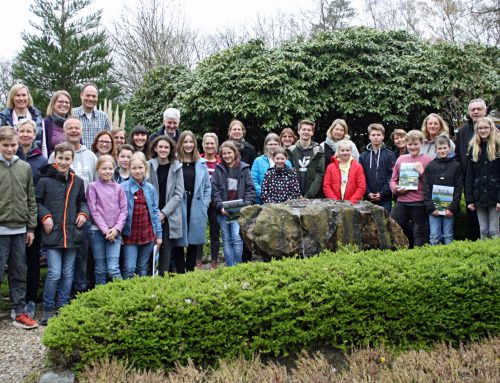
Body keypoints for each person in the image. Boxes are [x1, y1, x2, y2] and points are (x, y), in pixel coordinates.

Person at [37, 143, 88, 325]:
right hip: (54, 235)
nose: (64, 162)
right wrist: (45, 216)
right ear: (54, 158)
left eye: (67, 158)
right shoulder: (44, 180)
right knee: (54, 273)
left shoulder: (78, 181)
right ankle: (48, 309)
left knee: (68, 273)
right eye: (60, 158)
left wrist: (83, 213)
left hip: (72, 235)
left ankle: (63, 306)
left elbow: (83, 202)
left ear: (72, 159)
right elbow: (37, 202)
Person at [49, 117, 97, 294]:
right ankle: (62, 296)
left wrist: (87, 213)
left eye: (77, 128)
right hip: (60, 217)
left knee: (82, 257)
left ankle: (80, 293)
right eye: (70, 128)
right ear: (64, 131)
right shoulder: (56, 155)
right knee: (60, 262)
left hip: (82, 215)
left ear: (82, 131)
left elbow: (97, 185)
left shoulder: (91, 156)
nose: (74, 131)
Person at [0, 127, 38, 329]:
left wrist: (31, 227)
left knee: (18, 272)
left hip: (20, 230)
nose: (9, 148)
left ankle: (19, 312)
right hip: (1, 230)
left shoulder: (24, 167)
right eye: (5, 145)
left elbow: (31, 199)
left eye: (13, 145)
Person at [16, 119, 47, 319]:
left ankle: (30, 299)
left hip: (33, 218)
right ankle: (15, 300)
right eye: (22, 131)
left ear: (35, 134)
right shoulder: (9, 155)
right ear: (17, 133)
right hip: (13, 218)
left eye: (29, 131)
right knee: (16, 262)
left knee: (33, 260)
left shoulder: (41, 161)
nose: (26, 134)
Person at [211, 141, 256, 266]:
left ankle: (238, 266)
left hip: (239, 211)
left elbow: (250, 190)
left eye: (229, 152)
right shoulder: (218, 169)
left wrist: (245, 207)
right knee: (226, 239)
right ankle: (229, 267)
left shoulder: (244, 168)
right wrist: (220, 207)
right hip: (223, 211)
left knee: (237, 238)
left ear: (235, 153)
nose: (227, 155)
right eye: (224, 153)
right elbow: (214, 191)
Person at [172, 131, 211, 273]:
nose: (188, 145)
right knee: (178, 240)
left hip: (196, 204)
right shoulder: (174, 163)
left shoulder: (201, 164)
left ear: (194, 144)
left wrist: (205, 204)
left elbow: (207, 187)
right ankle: (181, 272)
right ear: (180, 144)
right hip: (179, 203)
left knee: (194, 240)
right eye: (185, 142)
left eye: (191, 142)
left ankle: (190, 270)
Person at [86, 155, 127, 284]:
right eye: (104, 168)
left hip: (115, 232)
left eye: (110, 168)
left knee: (113, 268)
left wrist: (116, 229)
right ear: (98, 169)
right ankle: (101, 298)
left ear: (114, 169)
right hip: (97, 232)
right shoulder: (93, 187)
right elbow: (94, 211)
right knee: (100, 269)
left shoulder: (119, 188)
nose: (107, 171)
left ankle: (122, 296)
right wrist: (105, 230)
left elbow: (124, 210)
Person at [121, 152, 162, 278]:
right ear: (129, 169)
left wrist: (159, 235)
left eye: (140, 168)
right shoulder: (122, 188)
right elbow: (119, 213)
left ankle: (142, 294)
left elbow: (155, 212)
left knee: (143, 267)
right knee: (129, 268)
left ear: (145, 168)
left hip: (147, 234)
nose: (137, 171)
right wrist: (119, 233)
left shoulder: (150, 188)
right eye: (134, 168)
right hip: (129, 235)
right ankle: (126, 294)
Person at [390, 130, 433, 247]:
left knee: (419, 231)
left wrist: (422, 172)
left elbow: (432, 183)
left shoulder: (428, 160)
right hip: (402, 201)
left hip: (419, 202)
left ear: (421, 144)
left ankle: (418, 255)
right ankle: (407, 246)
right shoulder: (400, 159)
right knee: (393, 224)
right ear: (406, 144)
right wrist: (396, 189)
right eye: (410, 144)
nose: (412, 147)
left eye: (415, 144)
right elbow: (393, 180)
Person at [148, 136, 184, 275]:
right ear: (155, 148)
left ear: (170, 150)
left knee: (166, 249)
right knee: (151, 249)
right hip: (151, 214)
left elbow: (178, 194)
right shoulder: (149, 165)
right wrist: (155, 213)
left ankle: (163, 280)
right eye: (160, 147)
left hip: (169, 215)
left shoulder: (177, 167)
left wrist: (163, 213)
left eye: (166, 147)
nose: (163, 149)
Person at [455, 99, 488, 241]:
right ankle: (474, 246)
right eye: (473, 109)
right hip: (468, 181)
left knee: (490, 218)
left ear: (485, 111)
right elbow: (457, 154)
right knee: (472, 214)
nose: (475, 112)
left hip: (488, 181)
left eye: (479, 109)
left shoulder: (495, 130)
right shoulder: (462, 131)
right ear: (469, 112)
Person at [423, 136, 463, 245]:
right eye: (440, 148)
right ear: (435, 149)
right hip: (433, 209)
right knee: (434, 236)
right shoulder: (430, 166)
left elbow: (458, 189)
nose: (442, 151)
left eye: (444, 148)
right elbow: (426, 188)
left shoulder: (456, 166)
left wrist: (452, 208)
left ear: (449, 148)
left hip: (449, 209)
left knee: (448, 235)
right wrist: (431, 208)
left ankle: (448, 260)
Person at [465, 117, 500, 239]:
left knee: (494, 230)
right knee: (483, 230)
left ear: (491, 128)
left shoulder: (498, 147)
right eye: (480, 128)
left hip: (495, 195)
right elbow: (469, 176)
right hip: (479, 195)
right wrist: (469, 200)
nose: (483, 130)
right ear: (476, 130)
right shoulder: (473, 148)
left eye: (486, 127)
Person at [0, 84, 45, 155]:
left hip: (34, 159)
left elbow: (43, 144)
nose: (21, 98)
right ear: (12, 98)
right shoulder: (3, 118)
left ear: (28, 97)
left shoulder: (37, 118)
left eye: (24, 95)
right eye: (17, 95)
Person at [359, 123, 395, 212]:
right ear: (369, 136)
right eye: (373, 135)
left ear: (383, 136)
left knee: (384, 223)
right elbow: (361, 176)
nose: (376, 137)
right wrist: (368, 193)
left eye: (378, 135)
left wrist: (382, 193)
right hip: (368, 197)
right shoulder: (363, 156)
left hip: (385, 198)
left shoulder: (390, 155)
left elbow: (391, 176)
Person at [287, 119, 325, 198]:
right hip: (294, 195)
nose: (306, 132)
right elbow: (288, 174)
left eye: (309, 130)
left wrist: (309, 195)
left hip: (313, 196)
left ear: (312, 132)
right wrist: (296, 193)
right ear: (298, 131)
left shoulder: (318, 150)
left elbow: (320, 173)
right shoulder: (291, 150)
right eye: (303, 129)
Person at [251, 133, 291, 204]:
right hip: (261, 201)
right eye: (270, 144)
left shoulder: (287, 162)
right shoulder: (258, 161)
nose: (273, 146)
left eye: (275, 144)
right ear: (266, 145)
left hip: (283, 202)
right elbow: (253, 181)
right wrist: (264, 195)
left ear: (279, 145)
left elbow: (291, 182)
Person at [200, 133, 221, 269]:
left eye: (212, 143)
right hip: (200, 200)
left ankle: (214, 261)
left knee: (215, 232)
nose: (209, 146)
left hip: (215, 201)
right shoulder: (198, 160)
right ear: (203, 145)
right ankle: (198, 261)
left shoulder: (220, 161)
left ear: (216, 145)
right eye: (207, 143)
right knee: (199, 231)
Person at [323, 139, 366, 204]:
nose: (345, 152)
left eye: (347, 150)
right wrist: (335, 200)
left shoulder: (358, 167)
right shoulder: (330, 167)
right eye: (342, 150)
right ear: (338, 152)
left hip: (353, 204)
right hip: (334, 204)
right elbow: (326, 186)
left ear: (351, 151)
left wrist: (352, 201)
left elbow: (361, 186)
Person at [72, 82, 111, 148]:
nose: (90, 99)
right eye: (88, 95)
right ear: (81, 95)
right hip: (77, 156)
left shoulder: (103, 117)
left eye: (94, 96)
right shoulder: (72, 114)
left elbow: (110, 140)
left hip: (97, 157)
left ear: (97, 98)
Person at [44, 90, 73, 157]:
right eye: (60, 102)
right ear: (53, 104)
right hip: (52, 164)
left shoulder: (73, 124)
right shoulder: (46, 124)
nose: (64, 104)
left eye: (67, 102)